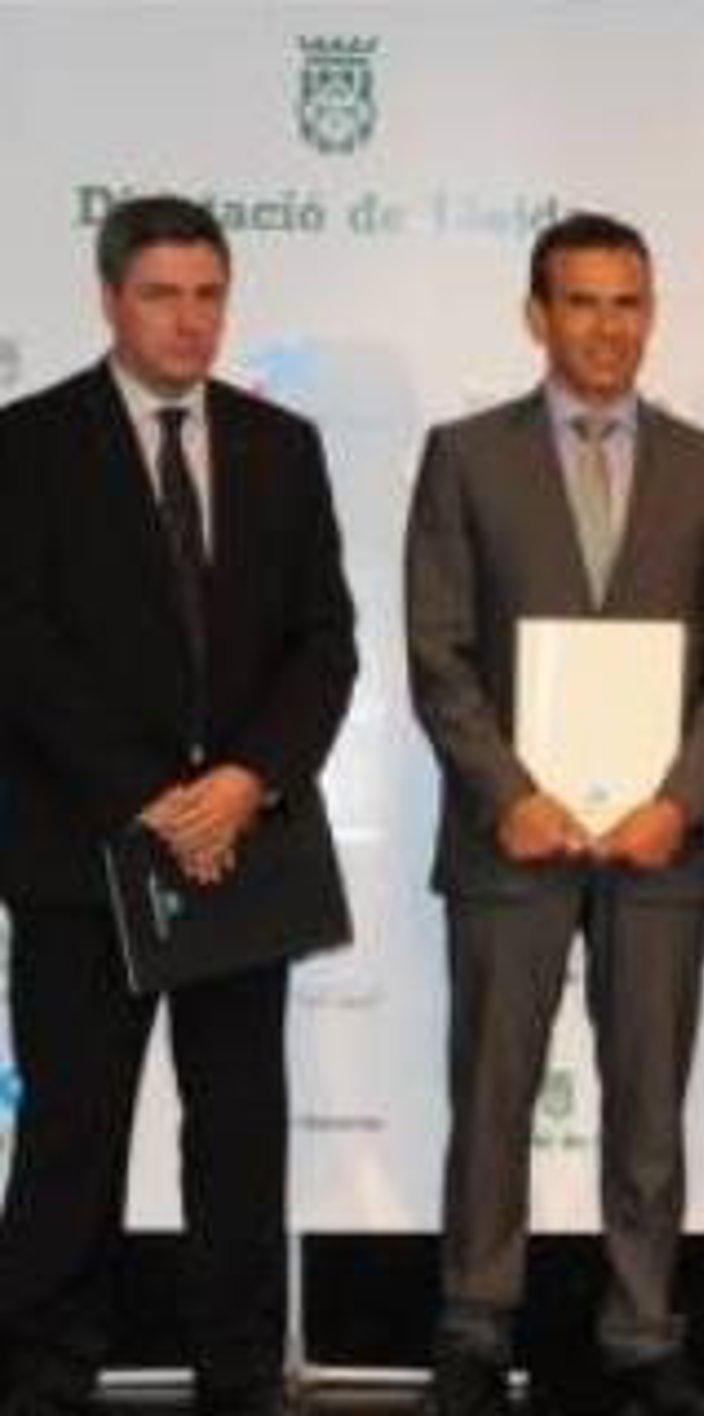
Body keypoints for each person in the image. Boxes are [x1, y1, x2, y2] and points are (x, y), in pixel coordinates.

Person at [0, 194, 358, 1416]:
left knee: (240, 1130)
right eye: (162, 294)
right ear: (111, 299)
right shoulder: (27, 444)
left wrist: (247, 782)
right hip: (82, 855)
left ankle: (240, 1370)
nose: (189, 319)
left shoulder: (281, 445)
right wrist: (153, 800)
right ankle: (44, 1367)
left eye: (209, 294)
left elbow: (325, 643)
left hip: (243, 851)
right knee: (72, 1131)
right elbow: (21, 647)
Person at [404, 211, 704, 1416]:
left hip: (660, 848)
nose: (608, 329)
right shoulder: (466, 457)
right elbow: (438, 650)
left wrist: (680, 804)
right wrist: (509, 795)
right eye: (582, 302)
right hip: (511, 840)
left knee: (649, 1100)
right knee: (492, 1093)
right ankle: (473, 1321)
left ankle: (644, 1329)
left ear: (650, 315)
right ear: (537, 315)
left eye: (628, 303)